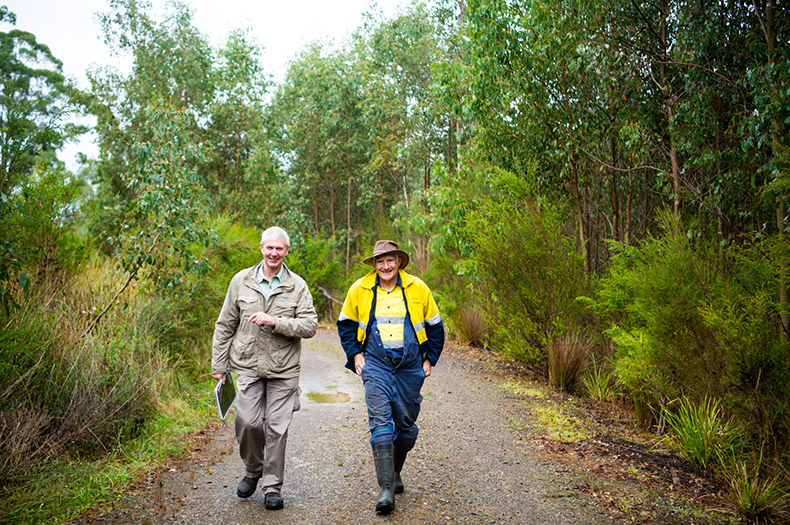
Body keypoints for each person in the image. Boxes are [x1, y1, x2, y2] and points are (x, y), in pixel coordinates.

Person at [211, 227, 317, 510]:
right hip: (246, 365)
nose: (274, 253)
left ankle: (272, 487)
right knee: (247, 423)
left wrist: (276, 321)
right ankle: (253, 469)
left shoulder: (298, 285)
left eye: (279, 249)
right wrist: (219, 365)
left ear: (286, 251)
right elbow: (225, 325)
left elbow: (310, 326)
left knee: (276, 429)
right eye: (269, 248)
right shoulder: (240, 281)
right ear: (261, 248)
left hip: (284, 369)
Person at [336, 240, 445, 514]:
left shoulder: (417, 288)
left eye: (390, 260)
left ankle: (395, 472)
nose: (385, 266)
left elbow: (435, 327)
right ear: (374, 264)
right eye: (380, 261)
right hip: (375, 364)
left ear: (399, 262)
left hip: (410, 367)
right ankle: (386, 491)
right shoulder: (359, 289)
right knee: (380, 420)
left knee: (406, 425)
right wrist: (355, 355)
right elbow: (346, 325)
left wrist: (430, 358)